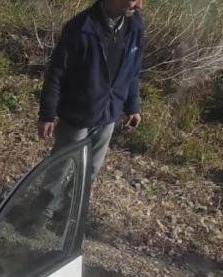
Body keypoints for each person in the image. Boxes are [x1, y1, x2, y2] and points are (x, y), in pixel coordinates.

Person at [38, 0, 145, 182]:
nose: (139, 5)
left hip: (109, 115)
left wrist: (132, 105)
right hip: (77, 116)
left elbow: (132, 70)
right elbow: (56, 73)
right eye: (133, 0)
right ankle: (44, 210)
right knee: (60, 171)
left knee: (89, 172)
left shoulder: (135, 25)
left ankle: (71, 210)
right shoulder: (80, 27)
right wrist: (48, 114)